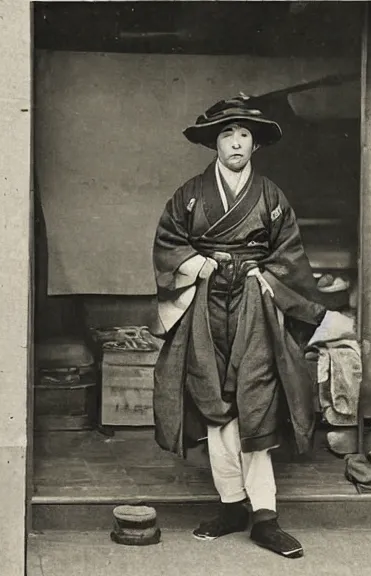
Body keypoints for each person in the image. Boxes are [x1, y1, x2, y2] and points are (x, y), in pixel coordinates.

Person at [151, 96, 328, 559]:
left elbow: (288, 252)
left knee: (257, 397)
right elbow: (168, 243)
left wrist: (267, 277)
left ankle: (265, 516)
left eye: (245, 134)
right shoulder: (189, 194)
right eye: (227, 134)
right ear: (214, 141)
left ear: (256, 145)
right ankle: (232, 506)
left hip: (253, 302)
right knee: (213, 401)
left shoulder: (270, 196)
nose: (236, 142)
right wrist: (200, 265)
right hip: (204, 301)